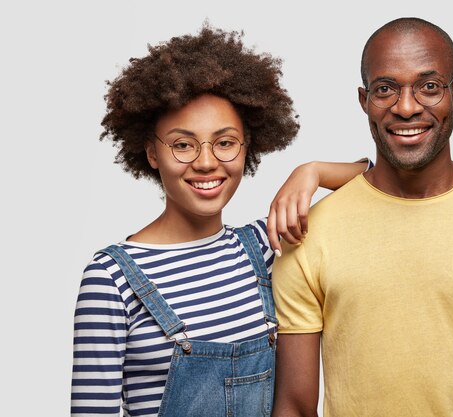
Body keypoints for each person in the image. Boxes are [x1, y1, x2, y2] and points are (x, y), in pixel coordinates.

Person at [70, 23, 369, 417]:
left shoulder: (266, 245)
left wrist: (310, 172)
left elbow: (378, 183)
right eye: (182, 145)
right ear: (151, 152)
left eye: (225, 142)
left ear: (249, 147)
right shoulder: (111, 278)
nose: (207, 161)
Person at [271, 17, 453, 417]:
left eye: (429, 87)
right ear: (364, 100)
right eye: (386, 89)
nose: (406, 108)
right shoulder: (308, 232)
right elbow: (294, 408)